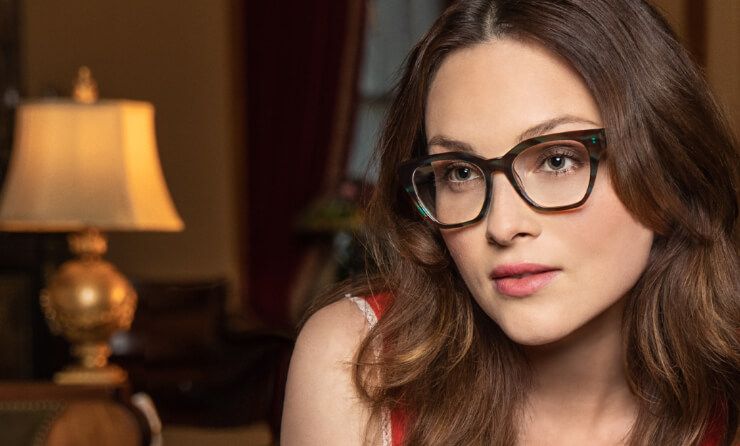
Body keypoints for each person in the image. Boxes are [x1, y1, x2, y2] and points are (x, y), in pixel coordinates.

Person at [281, 0, 739, 444]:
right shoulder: (358, 366)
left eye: (558, 160)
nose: (501, 226)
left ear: (666, 166)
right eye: (459, 172)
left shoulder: (727, 393)